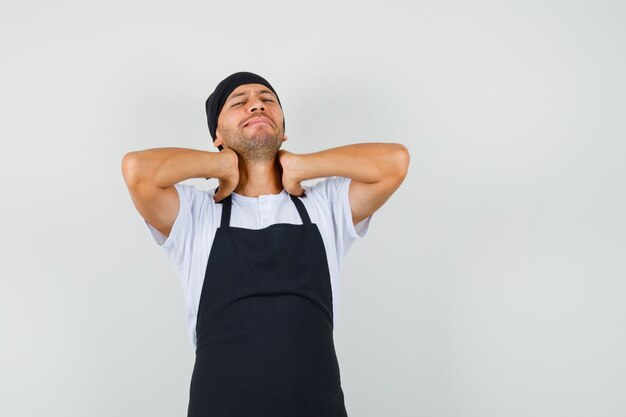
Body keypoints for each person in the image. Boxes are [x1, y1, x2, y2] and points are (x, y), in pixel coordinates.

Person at [121, 71, 410, 417]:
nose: (256, 104)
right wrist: (220, 165)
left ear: (283, 130)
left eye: (267, 100)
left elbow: (395, 162)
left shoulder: (325, 205)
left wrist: (302, 166)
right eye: (239, 102)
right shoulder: (195, 215)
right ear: (217, 135)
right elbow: (137, 170)